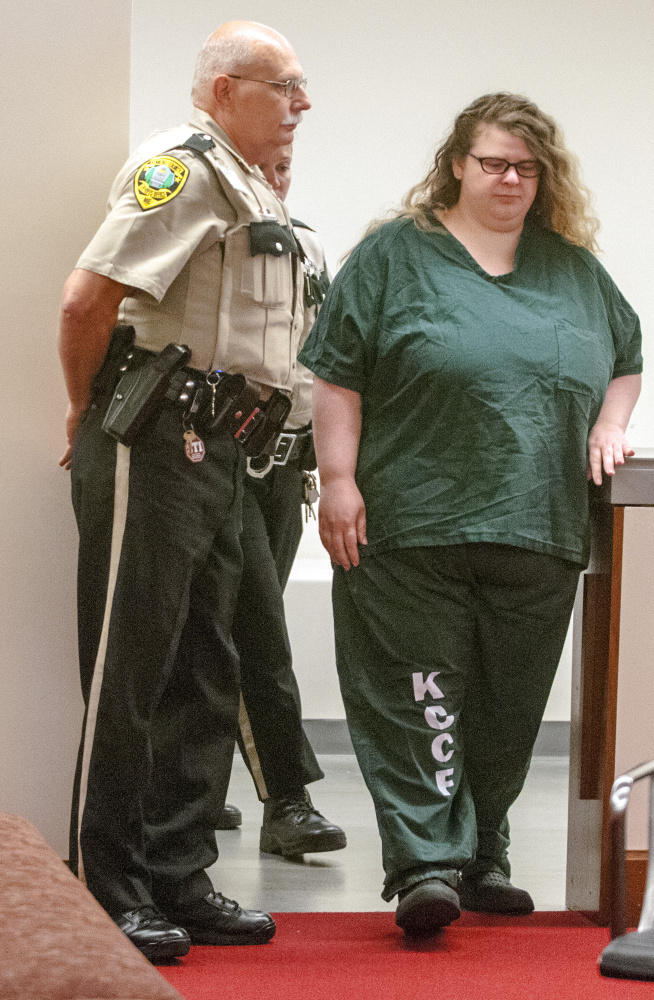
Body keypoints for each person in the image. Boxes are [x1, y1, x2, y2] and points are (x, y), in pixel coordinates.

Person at [298, 92, 642, 936]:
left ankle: (482, 853)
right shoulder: (391, 257)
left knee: (506, 709)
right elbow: (336, 375)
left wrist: (609, 422)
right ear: (457, 163)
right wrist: (336, 478)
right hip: (409, 526)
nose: (510, 179)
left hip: (538, 526)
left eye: (527, 167)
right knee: (420, 701)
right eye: (493, 163)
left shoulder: (574, 270)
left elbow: (627, 358)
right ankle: (424, 864)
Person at [58, 21, 311, 962]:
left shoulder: (251, 187)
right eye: (283, 85)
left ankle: (179, 871)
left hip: (224, 448)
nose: (302, 105)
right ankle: (109, 882)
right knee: (131, 668)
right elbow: (88, 299)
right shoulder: (182, 168)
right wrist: (85, 417)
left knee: (209, 665)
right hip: (158, 435)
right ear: (219, 90)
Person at [219, 145, 346, 857]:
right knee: (258, 627)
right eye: (262, 160)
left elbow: (320, 362)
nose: (277, 170)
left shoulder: (307, 246)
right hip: (225, 455)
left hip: (287, 463)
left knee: (231, 626)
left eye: (285, 160)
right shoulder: (214, 241)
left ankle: (199, 794)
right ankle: (288, 801)